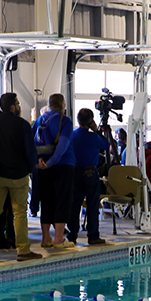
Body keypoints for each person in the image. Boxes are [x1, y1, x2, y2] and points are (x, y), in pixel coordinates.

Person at [0, 93, 41, 260]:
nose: (19, 106)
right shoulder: (22, 125)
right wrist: (29, 170)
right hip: (19, 175)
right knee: (19, 213)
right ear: (13, 107)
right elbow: (30, 151)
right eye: (18, 103)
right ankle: (23, 250)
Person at [32, 94, 75, 249]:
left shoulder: (40, 120)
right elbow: (62, 146)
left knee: (47, 201)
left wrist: (38, 161)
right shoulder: (65, 121)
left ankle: (45, 238)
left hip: (42, 167)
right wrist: (50, 163)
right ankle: (58, 239)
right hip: (62, 166)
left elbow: (31, 141)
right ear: (63, 104)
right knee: (62, 200)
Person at [69, 108, 110, 245]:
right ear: (91, 121)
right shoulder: (93, 137)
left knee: (75, 206)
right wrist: (97, 130)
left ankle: (72, 235)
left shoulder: (72, 135)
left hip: (75, 172)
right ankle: (93, 235)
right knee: (92, 205)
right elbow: (106, 145)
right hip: (91, 173)